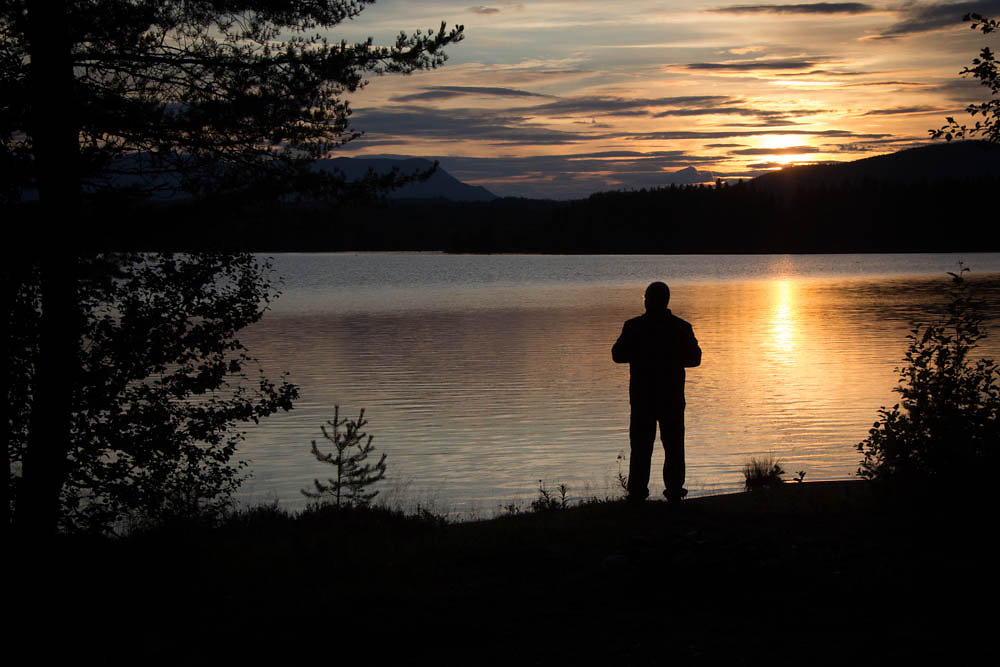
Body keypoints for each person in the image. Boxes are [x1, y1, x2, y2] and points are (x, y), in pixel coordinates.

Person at [612, 281, 701, 503]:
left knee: (642, 448)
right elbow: (695, 358)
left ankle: (638, 494)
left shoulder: (634, 327)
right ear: (666, 300)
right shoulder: (681, 327)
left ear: (647, 300)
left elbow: (618, 355)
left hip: (643, 398)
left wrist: (642, 354)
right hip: (671, 397)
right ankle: (673, 493)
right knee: (673, 447)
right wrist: (672, 359)